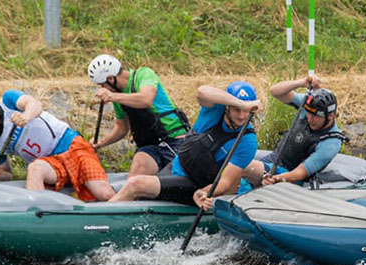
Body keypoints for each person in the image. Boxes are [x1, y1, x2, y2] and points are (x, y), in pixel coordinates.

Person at [109, 81, 262, 210]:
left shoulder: (247, 141)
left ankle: (100, 218)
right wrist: (244, 104)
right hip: (176, 168)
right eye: (237, 109)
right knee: (140, 196)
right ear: (227, 106)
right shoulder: (213, 111)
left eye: (246, 112)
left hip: (196, 185)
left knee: (136, 184)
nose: (242, 116)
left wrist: (204, 192)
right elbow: (203, 91)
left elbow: (225, 182)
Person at [0, 91, 114, 201]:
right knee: (34, 168)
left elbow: (35, 104)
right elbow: (8, 174)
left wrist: (25, 117)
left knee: (103, 194)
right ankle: (38, 219)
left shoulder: (8, 101)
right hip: (51, 165)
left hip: (70, 145)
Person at [87, 54, 191, 177]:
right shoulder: (118, 96)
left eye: (102, 85)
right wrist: (101, 142)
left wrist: (112, 97)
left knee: (169, 183)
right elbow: (121, 128)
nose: (103, 88)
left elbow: (146, 99)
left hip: (175, 140)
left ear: (111, 78)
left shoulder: (144, 74)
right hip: (151, 146)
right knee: (137, 172)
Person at [242, 75, 346, 187]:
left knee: (241, 166)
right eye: (308, 113)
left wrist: (275, 179)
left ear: (330, 116)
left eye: (315, 116)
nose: (309, 118)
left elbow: (299, 174)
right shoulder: (310, 107)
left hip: (289, 174)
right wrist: (301, 83)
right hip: (273, 159)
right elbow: (275, 91)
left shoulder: (331, 143)